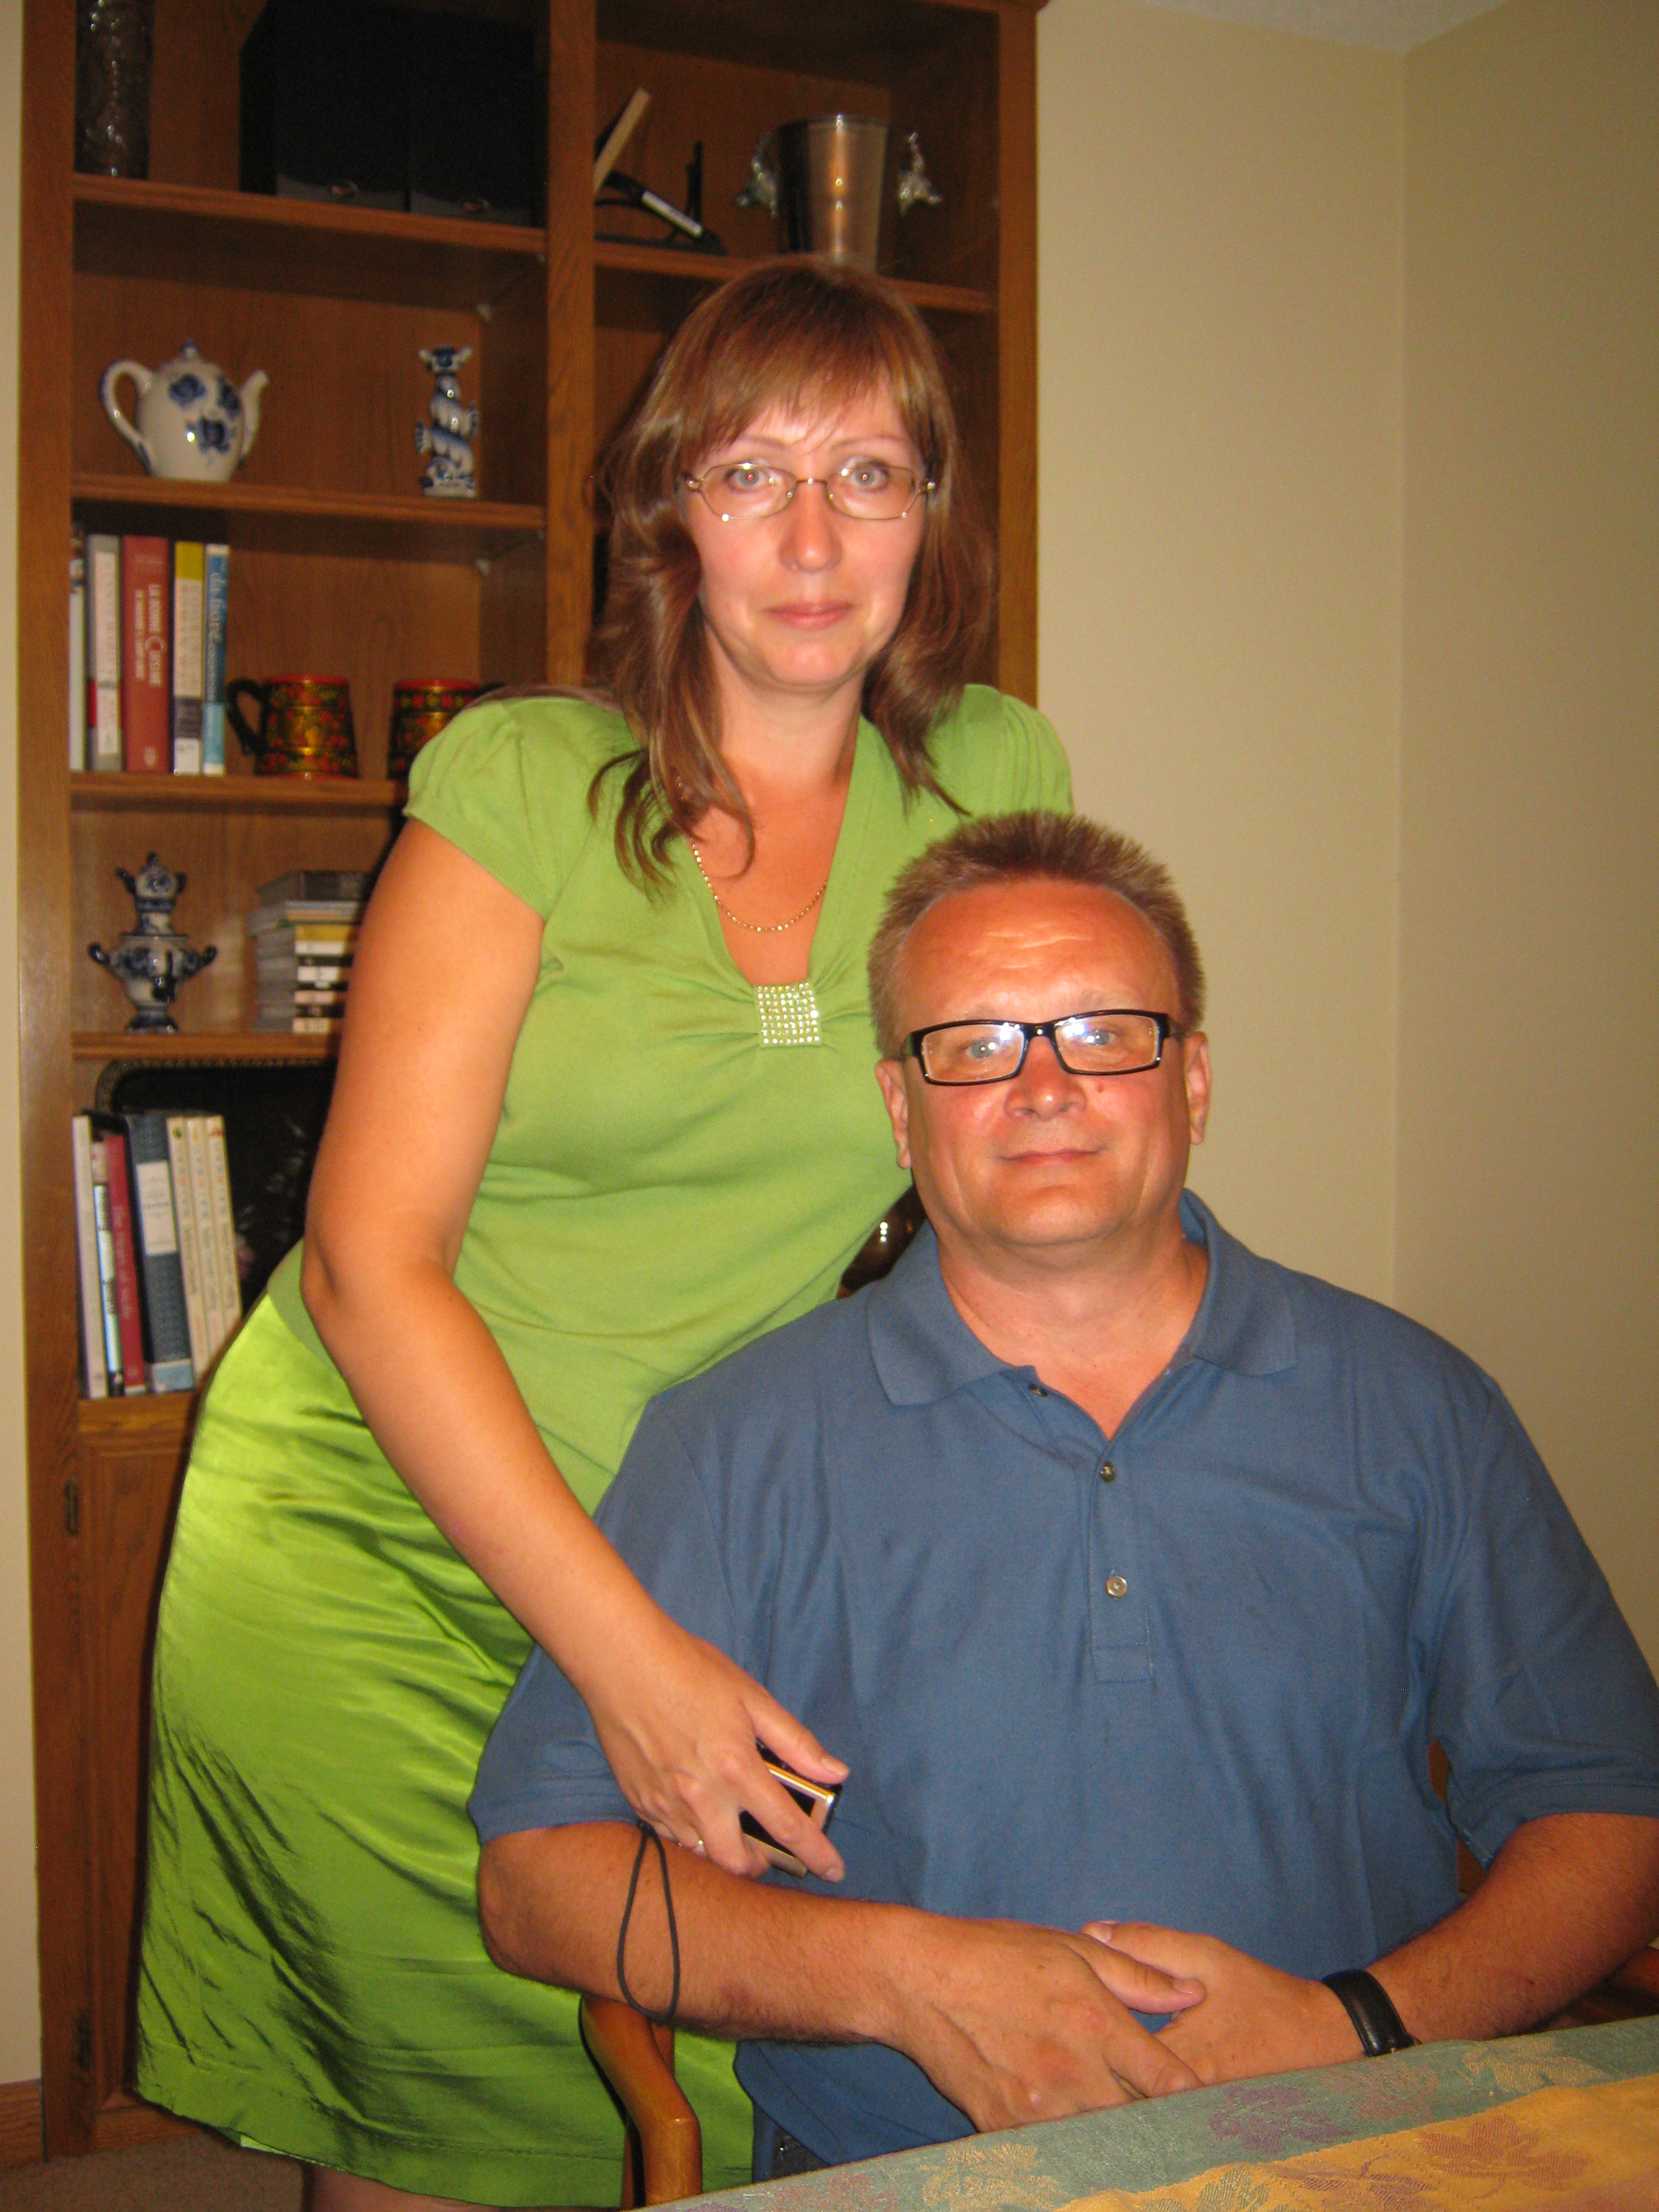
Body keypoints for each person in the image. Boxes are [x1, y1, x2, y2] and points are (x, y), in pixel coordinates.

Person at [134, 266, 1070, 2210]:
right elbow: (368, 1263)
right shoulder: (526, 783)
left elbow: (1024, 1169)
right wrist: (626, 1662)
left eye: (869, 475)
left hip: (684, 1543)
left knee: (716, 2091)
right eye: (751, 475)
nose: (811, 540)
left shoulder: (997, 780)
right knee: (429, 2122)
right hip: (378, 1545)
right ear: (672, 517)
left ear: (933, 517)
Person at [472, 809, 1659, 2176]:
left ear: (1193, 1083)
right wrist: (909, 1983)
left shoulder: (1415, 1407)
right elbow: (539, 1878)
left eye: (1103, 1032)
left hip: (1362, 2148)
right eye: (976, 1045)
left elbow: (1614, 1812)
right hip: (906, 2179)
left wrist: (1357, 2027)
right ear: (900, 1110)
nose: (1043, 1087)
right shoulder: (735, 1442)